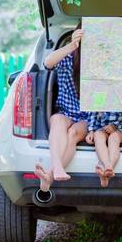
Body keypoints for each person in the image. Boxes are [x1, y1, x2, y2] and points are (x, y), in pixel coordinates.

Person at [34, 23, 88, 192]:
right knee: (56, 118)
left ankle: (48, 178)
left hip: (88, 118)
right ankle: (57, 167)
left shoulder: (103, 63)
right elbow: (47, 63)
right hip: (66, 112)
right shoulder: (68, 56)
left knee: (72, 133)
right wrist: (72, 45)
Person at [85, 112, 122, 187]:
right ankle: (107, 166)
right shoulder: (97, 100)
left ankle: (108, 170)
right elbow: (92, 115)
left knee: (113, 138)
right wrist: (90, 131)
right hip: (102, 128)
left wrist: (115, 126)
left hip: (119, 128)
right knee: (97, 135)